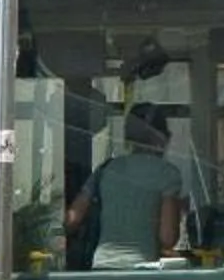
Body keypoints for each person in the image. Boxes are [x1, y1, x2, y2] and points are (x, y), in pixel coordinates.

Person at [66, 103, 187, 268]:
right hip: (140, 269)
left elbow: (72, 219)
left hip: (101, 266)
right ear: (163, 136)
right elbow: (167, 238)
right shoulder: (168, 174)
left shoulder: (107, 169)